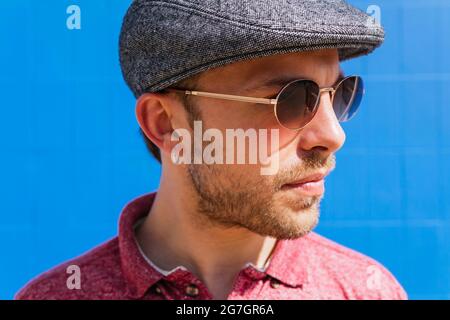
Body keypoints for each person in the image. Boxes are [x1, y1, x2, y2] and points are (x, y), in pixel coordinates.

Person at [16, 0, 407, 300]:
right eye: (290, 99)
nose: (332, 134)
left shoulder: (365, 289)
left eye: (341, 95)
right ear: (165, 124)